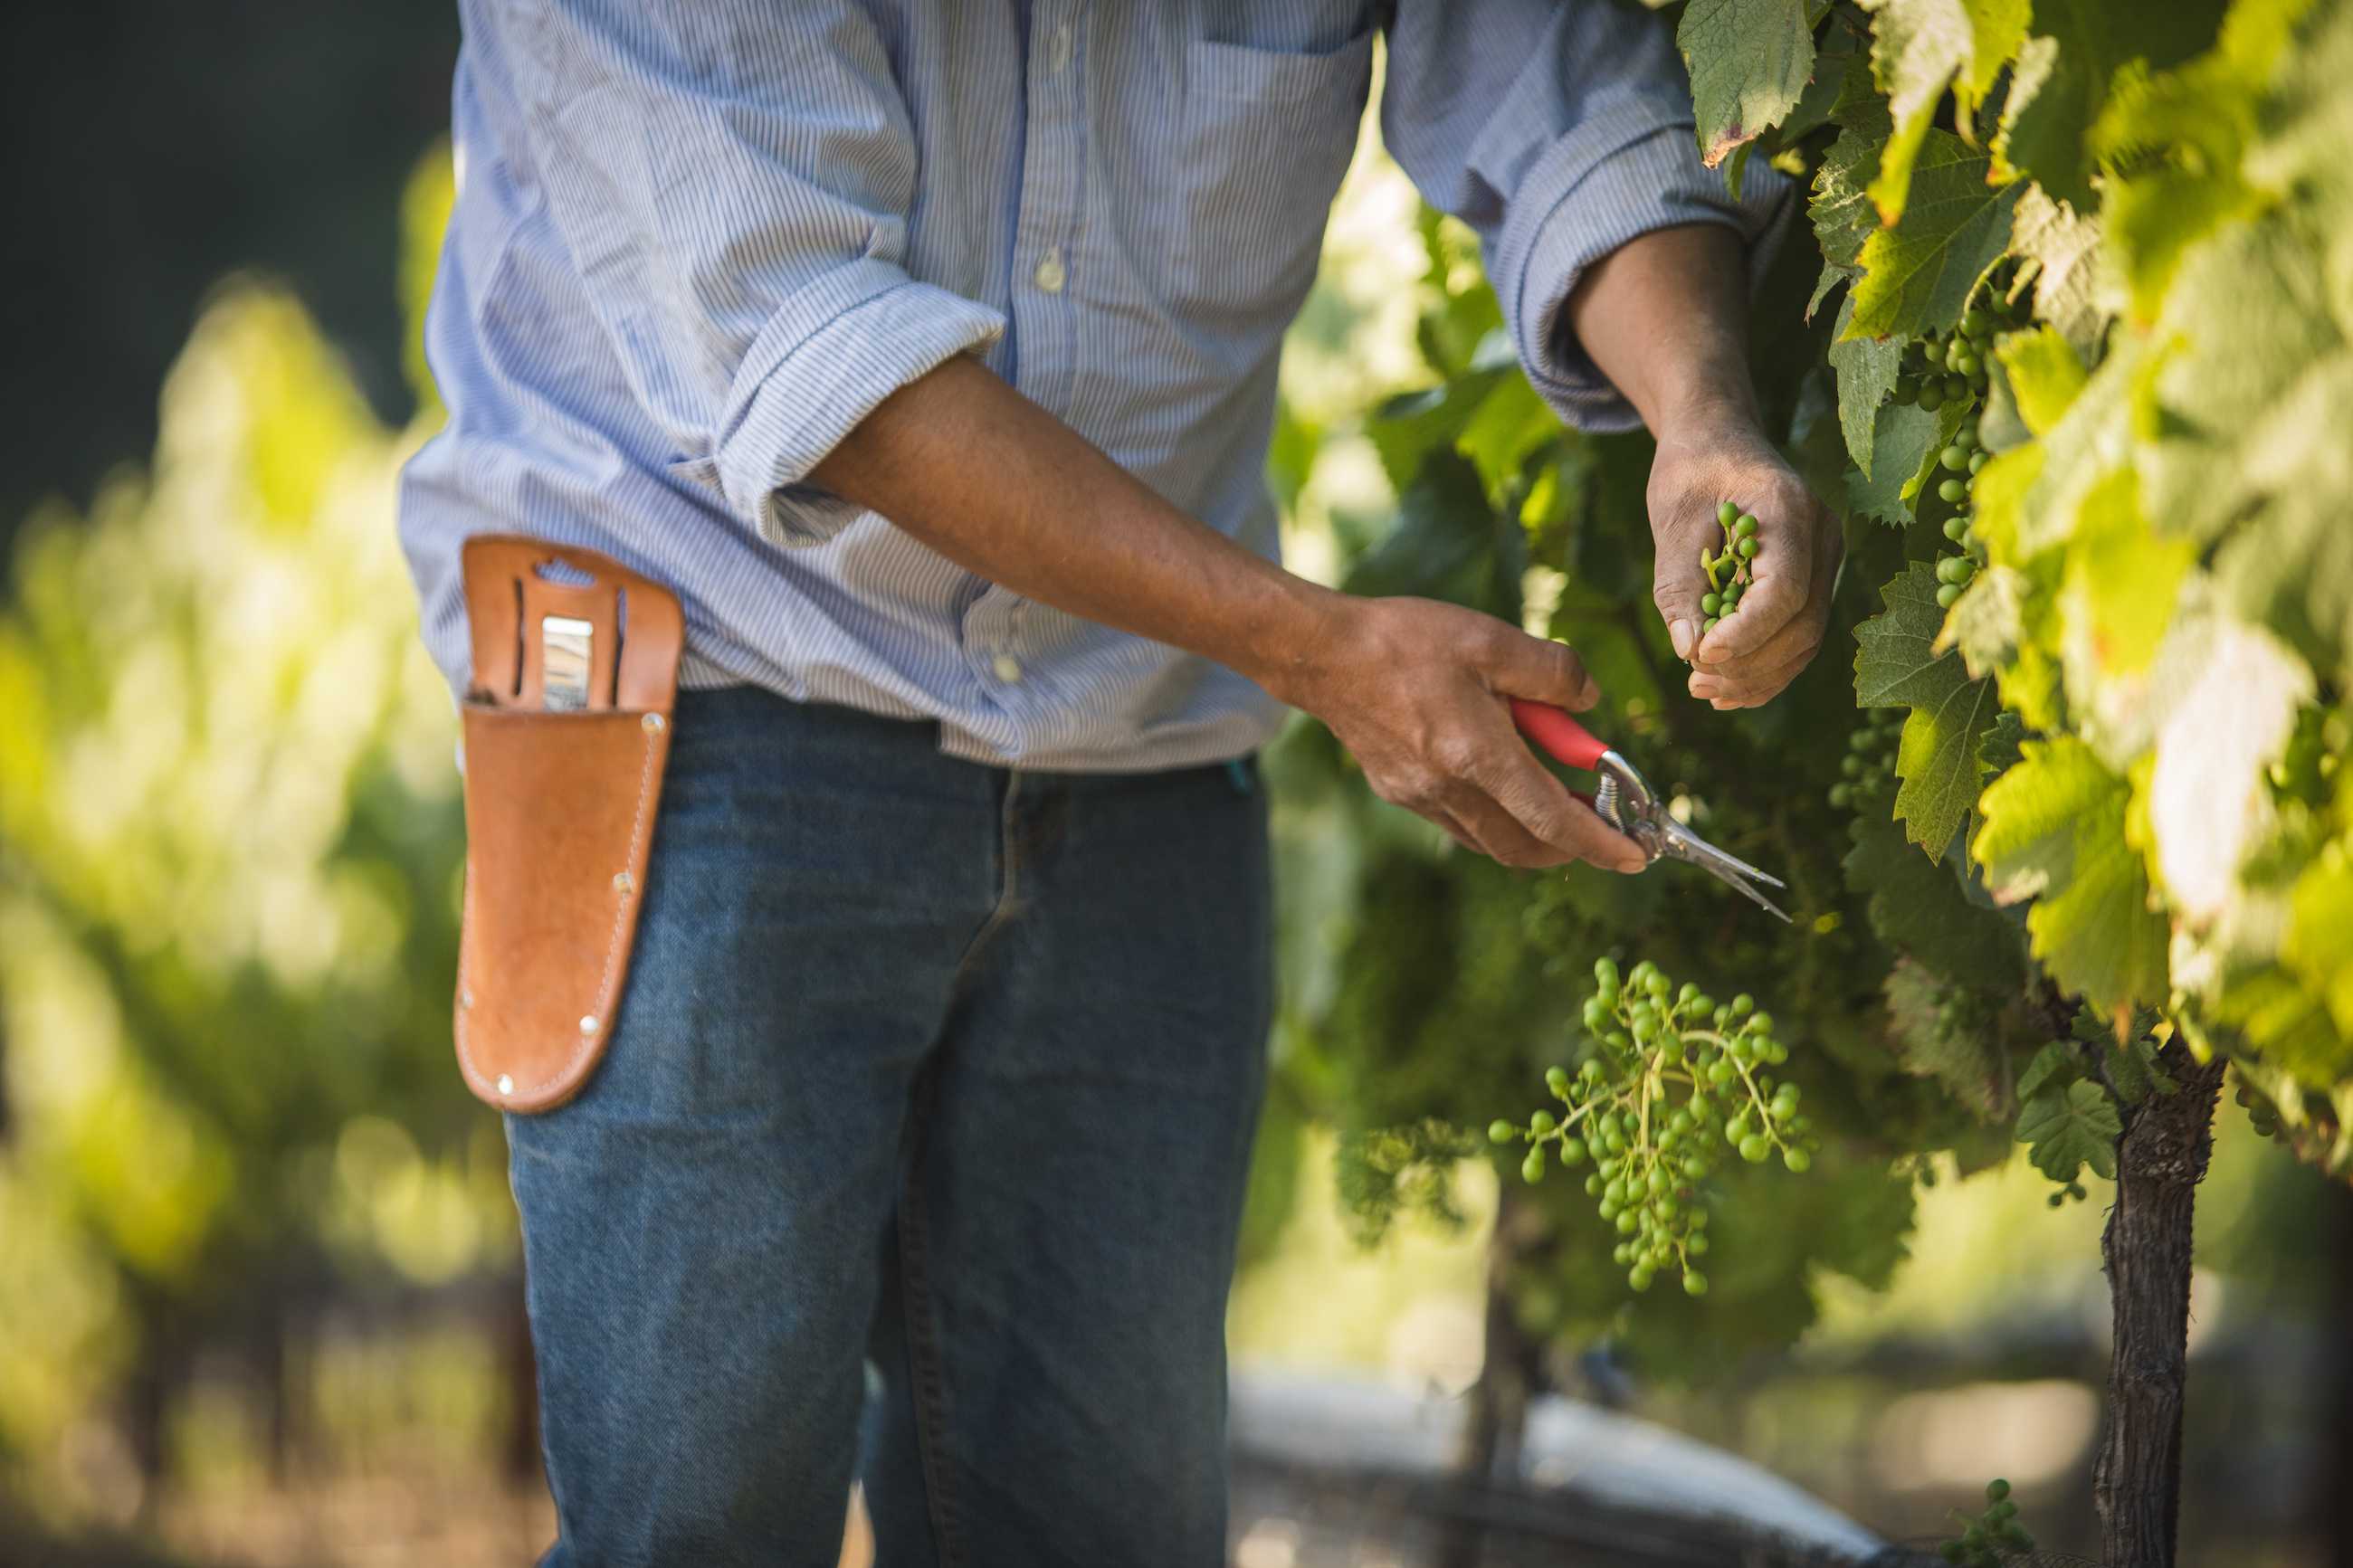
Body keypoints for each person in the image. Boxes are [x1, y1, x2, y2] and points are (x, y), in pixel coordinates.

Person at [396, 2, 1840, 1563]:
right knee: (701, 1524)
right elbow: (804, 340)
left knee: (1105, 1533)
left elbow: (1558, 85)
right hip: (711, 691)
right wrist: (1314, 647)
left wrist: (1702, 419)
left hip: (1141, 742)